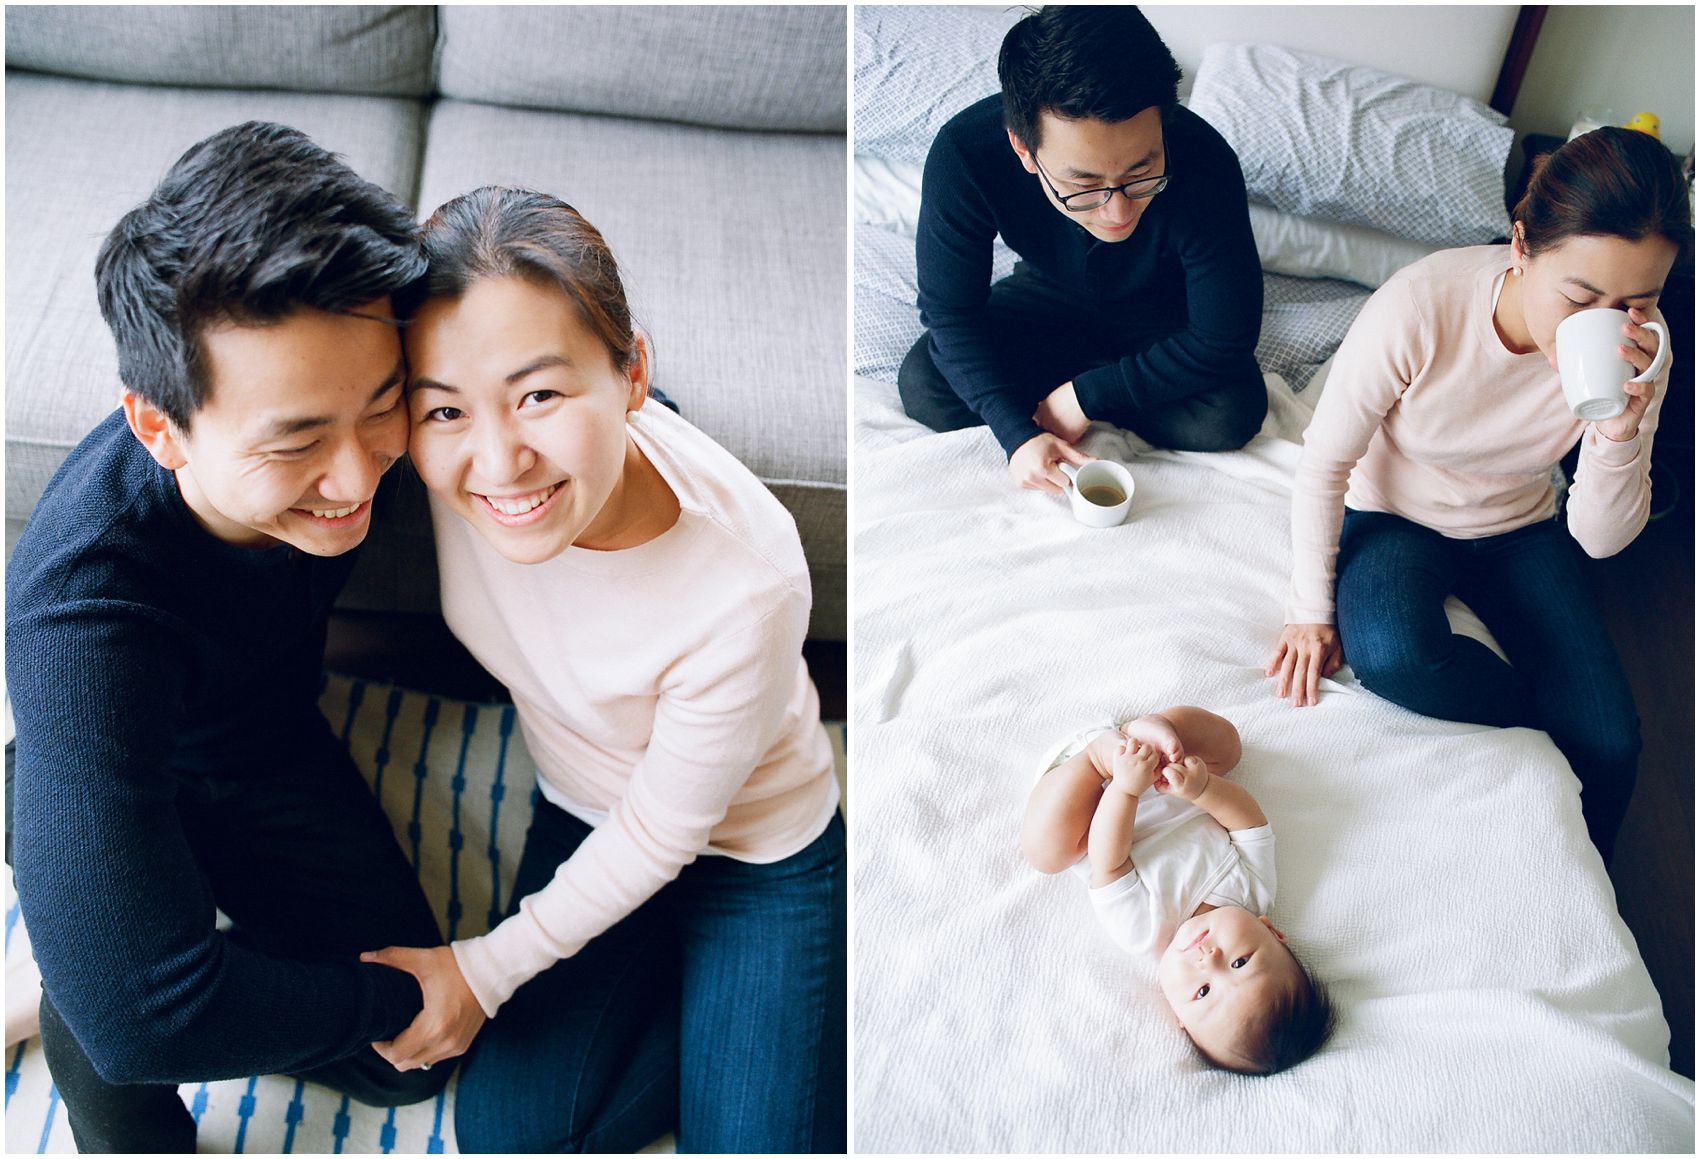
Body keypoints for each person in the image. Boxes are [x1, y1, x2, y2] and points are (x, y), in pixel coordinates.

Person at [366, 186, 847, 1153]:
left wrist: (483, 970)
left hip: (755, 853)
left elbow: (667, 831)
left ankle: (784, 989)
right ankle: (713, 1001)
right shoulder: (441, 467)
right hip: (582, 809)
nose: (499, 462)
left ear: (633, 375)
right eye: (447, 408)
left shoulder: (745, 580)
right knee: (508, 1136)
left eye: (540, 393)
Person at [4, 122, 452, 1153]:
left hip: (263, 737)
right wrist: (377, 1000)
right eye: (296, 442)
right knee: (123, 1032)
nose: (356, 480)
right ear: (161, 429)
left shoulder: (365, 398)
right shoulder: (82, 615)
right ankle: (72, 922)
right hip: (127, 743)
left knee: (412, 1067)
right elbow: (140, 1024)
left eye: (382, 409)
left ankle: (97, 923)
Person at [1266, 127, 1690, 863]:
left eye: (1636, 300)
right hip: (1394, 510)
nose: (1609, 322)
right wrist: (1308, 612)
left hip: (1521, 521)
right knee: (1395, 652)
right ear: (1523, 246)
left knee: (1617, 741)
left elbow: (1599, 539)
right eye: (1582, 296)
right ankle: (1543, 741)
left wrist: (1622, 426)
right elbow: (1325, 460)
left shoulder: (1642, 347)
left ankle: (1587, 882)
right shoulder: (1424, 305)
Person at [901, 5, 1267, 495]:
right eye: (1084, 185)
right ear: (1023, 150)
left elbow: (1223, 340)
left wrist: (1084, 397)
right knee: (927, 382)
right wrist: (1017, 434)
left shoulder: (1205, 159)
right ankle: (1086, 389)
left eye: (1142, 173)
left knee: (1229, 415)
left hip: (1160, 314)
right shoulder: (964, 154)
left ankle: (1072, 387)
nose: (1117, 214)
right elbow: (949, 312)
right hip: (1046, 297)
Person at [1021, 708, 1330, 1074]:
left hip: (1094, 802)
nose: (1208, 959)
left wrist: (1123, 788)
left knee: (1047, 851)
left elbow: (1109, 862)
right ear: (1273, 933)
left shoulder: (1144, 933)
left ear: (1177, 1013)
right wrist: (1203, 789)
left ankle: (1097, 755)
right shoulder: (1254, 892)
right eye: (1240, 962)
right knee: (1227, 747)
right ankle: (1142, 730)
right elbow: (1248, 821)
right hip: (1169, 771)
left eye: (1202, 992)